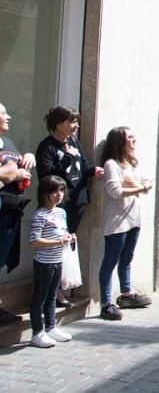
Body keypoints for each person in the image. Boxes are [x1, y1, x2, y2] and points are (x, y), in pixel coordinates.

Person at [35, 106, 99, 306]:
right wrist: (67, 158)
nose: (76, 126)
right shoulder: (47, 147)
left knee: (67, 245)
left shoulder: (73, 142)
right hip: (58, 207)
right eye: (71, 122)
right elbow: (48, 176)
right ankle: (55, 293)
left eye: (76, 121)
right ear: (58, 124)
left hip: (78, 201)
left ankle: (60, 288)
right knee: (56, 247)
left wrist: (94, 171)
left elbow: (84, 166)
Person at [98, 126, 153, 321]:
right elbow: (114, 192)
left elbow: (148, 183)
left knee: (127, 257)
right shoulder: (112, 164)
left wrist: (134, 186)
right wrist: (138, 188)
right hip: (117, 220)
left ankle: (127, 294)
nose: (134, 140)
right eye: (130, 137)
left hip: (134, 218)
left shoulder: (133, 163)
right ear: (120, 141)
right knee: (110, 260)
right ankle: (106, 303)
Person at [28, 175, 75, 348]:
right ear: (45, 193)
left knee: (52, 295)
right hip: (44, 262)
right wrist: (59, 241)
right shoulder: (39, 215)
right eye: (54, 191)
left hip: (58, 260)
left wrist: (69, 238)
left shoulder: (61, 212)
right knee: (40, 296)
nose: (58, 194)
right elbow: (34, 241)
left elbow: (62, 232)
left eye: (61, 190)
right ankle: (37, 332)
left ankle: (50, 326)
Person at [0, 102, 36, 324]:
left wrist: (27, 158)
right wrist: (11, 173)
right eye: (3, 113)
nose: (9, 117)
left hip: (10, 215)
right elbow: (9, 170)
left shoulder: (8, 142)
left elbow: (14, 165)